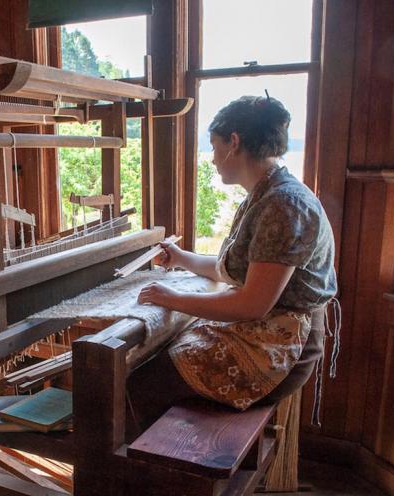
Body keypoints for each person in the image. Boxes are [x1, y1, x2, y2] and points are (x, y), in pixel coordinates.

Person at [128, 95, 338, 436]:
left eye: (214, 146)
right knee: (151, 365)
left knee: (139, 384)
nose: (211, 159)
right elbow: (236, 272)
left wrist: (171, 299)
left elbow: (253, 303)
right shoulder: (266, 194)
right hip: (265, 333)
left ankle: (136, 479)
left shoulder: (283, 204)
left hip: (278, 347)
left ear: (234, 143)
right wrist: (182, 258)